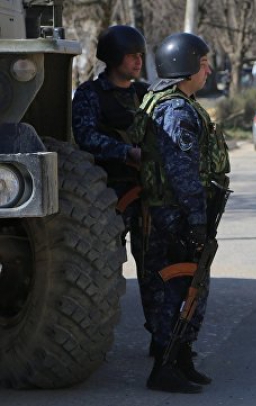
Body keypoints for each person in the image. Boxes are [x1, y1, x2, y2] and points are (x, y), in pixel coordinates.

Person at [137, 32, 230, 393]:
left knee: (193, 286)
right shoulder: (175, 110)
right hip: (173, 214)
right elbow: (182, 172)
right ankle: (165, 365)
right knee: (175, 289)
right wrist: (195, 221)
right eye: (203, 64)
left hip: (179, 210)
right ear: (185, 67)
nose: (208, 71)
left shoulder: (180, 103)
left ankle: (182, 358)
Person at [71, 25, 154, 347]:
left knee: (153, 270)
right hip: (105, 196)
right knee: (102, 270)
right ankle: (93, 339)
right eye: (131, 56)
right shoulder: (91, 94)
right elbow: (86, 137)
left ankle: (160, 339)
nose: (137, 62)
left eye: (140, 56)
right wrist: (126, 152)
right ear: (114, 58)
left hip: (146, 194)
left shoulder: (144, 94)